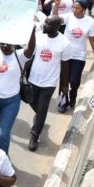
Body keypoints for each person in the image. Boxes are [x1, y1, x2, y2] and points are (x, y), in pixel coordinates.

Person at [28, 17, 72, 151]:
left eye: (48, 24)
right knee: (31, 102)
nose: (45, 25)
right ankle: (40, 118)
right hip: (33, 79)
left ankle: (34, 135)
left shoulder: (64, 43)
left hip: (49, 82)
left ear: (57, 27)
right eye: (45, 22)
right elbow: (29, 56)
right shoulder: (38, 36)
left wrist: (64, 86)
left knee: (42, 109)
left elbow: (65, 66)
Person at [52, 0, 94, 112]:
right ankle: (62, 103)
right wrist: (56, 6)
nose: (74, 10)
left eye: (77, 8)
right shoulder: (69, 17)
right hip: (65, 55)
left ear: (84, 9)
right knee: (64, 80)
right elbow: (55, 19)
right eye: (73, 7)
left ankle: (73, 95)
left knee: (74, 81)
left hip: (79, 56)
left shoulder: (90, 22)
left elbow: (93, 40)